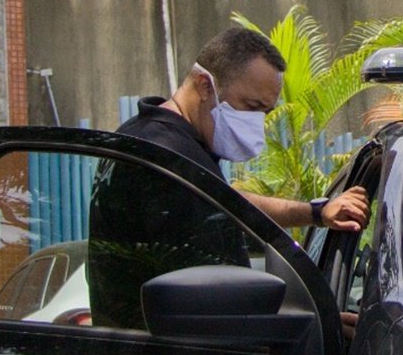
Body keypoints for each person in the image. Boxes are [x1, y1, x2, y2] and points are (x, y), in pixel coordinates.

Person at [87, 27, 369, 330]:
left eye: (265, 112)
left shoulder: (152, 138)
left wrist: (315, 213)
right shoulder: (167, 159)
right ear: (204, 85)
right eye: (251, 107)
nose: (256, 124)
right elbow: (217, 303)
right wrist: (308, 327)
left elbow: (225, 202)